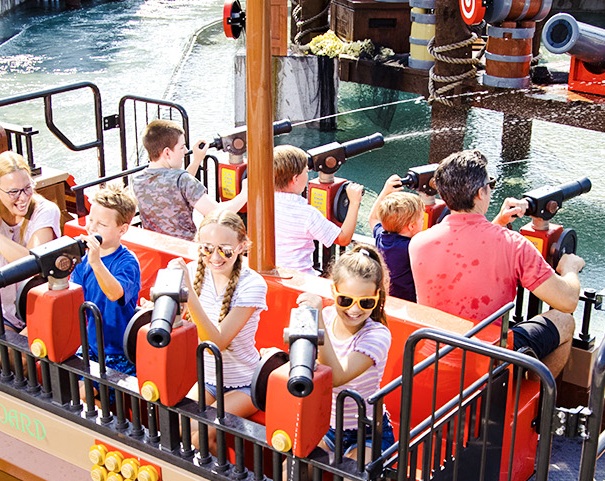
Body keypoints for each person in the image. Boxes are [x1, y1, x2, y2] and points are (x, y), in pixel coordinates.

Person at [408, 149, 586, 367]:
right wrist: (570, 269)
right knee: (564, 321)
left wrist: (498, 223)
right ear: (481, 193)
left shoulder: (419, 242)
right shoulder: (514, 245)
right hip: (487, 357)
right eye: (489, 185)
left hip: (432, 352)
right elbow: (566, 301)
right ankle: (536, 395)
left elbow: (467, 247)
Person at [297, 244, 396, 481]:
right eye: (345, 300)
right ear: (333, 292)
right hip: (328, 426)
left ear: (377, 297)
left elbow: (337, 376)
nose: (354, 309)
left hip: (368, 431)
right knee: (290, 474)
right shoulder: (327, 318)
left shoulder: (377, 335)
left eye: (365, 302)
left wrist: (316, 321)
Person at [177, 207, 267, 420]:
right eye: (207, 249)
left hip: (245, 382)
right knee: (181, 425)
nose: (215, 257)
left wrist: (189, 293)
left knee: (205, 427)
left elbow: (215, 343)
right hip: (207, 378)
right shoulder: (192, 272)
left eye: (225, 250)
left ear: (241, 247)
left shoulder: (252, 284)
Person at [0, 150, 61, 330]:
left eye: (28, 188)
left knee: (9, 355)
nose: (23, 197)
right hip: (3, 313)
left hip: (40, 310)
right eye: (14, 192)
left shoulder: (45, 211)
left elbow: (31, 263)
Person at [71, 183, 142, 376]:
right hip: (91, 345)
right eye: (90, 220)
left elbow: (114, 293)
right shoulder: (83, 261)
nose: (92, 228)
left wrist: (95, 262)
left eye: (101, 225)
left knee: (86, 394)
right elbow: (72, 297)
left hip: (119, 351)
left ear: (122, 229)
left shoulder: (127, 262)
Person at [132, 119, 245, 239]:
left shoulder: (137, 180)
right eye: (181, 147)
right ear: (167, 153)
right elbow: (218, 214)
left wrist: (197, 160)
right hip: (184, 250)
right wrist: (246, 193)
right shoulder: (182, 180)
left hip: (156, 249)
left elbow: (175, 188)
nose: (186, 151)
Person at [272, 144, 364, 276]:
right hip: (300, 278)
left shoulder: (262, 203)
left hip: (273, 273)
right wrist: (354, 202)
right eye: (306, 172)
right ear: (295, 179)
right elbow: (343, 239)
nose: (308, 176)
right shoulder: (307, 213)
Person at [368, 180, 422, 302]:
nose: (423, 222)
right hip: (407, 303)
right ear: (412, 226)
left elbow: (373, 218)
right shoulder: (412, 247)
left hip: (385, 299)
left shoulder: (381, 237)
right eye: (422, 219)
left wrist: (385, 191)